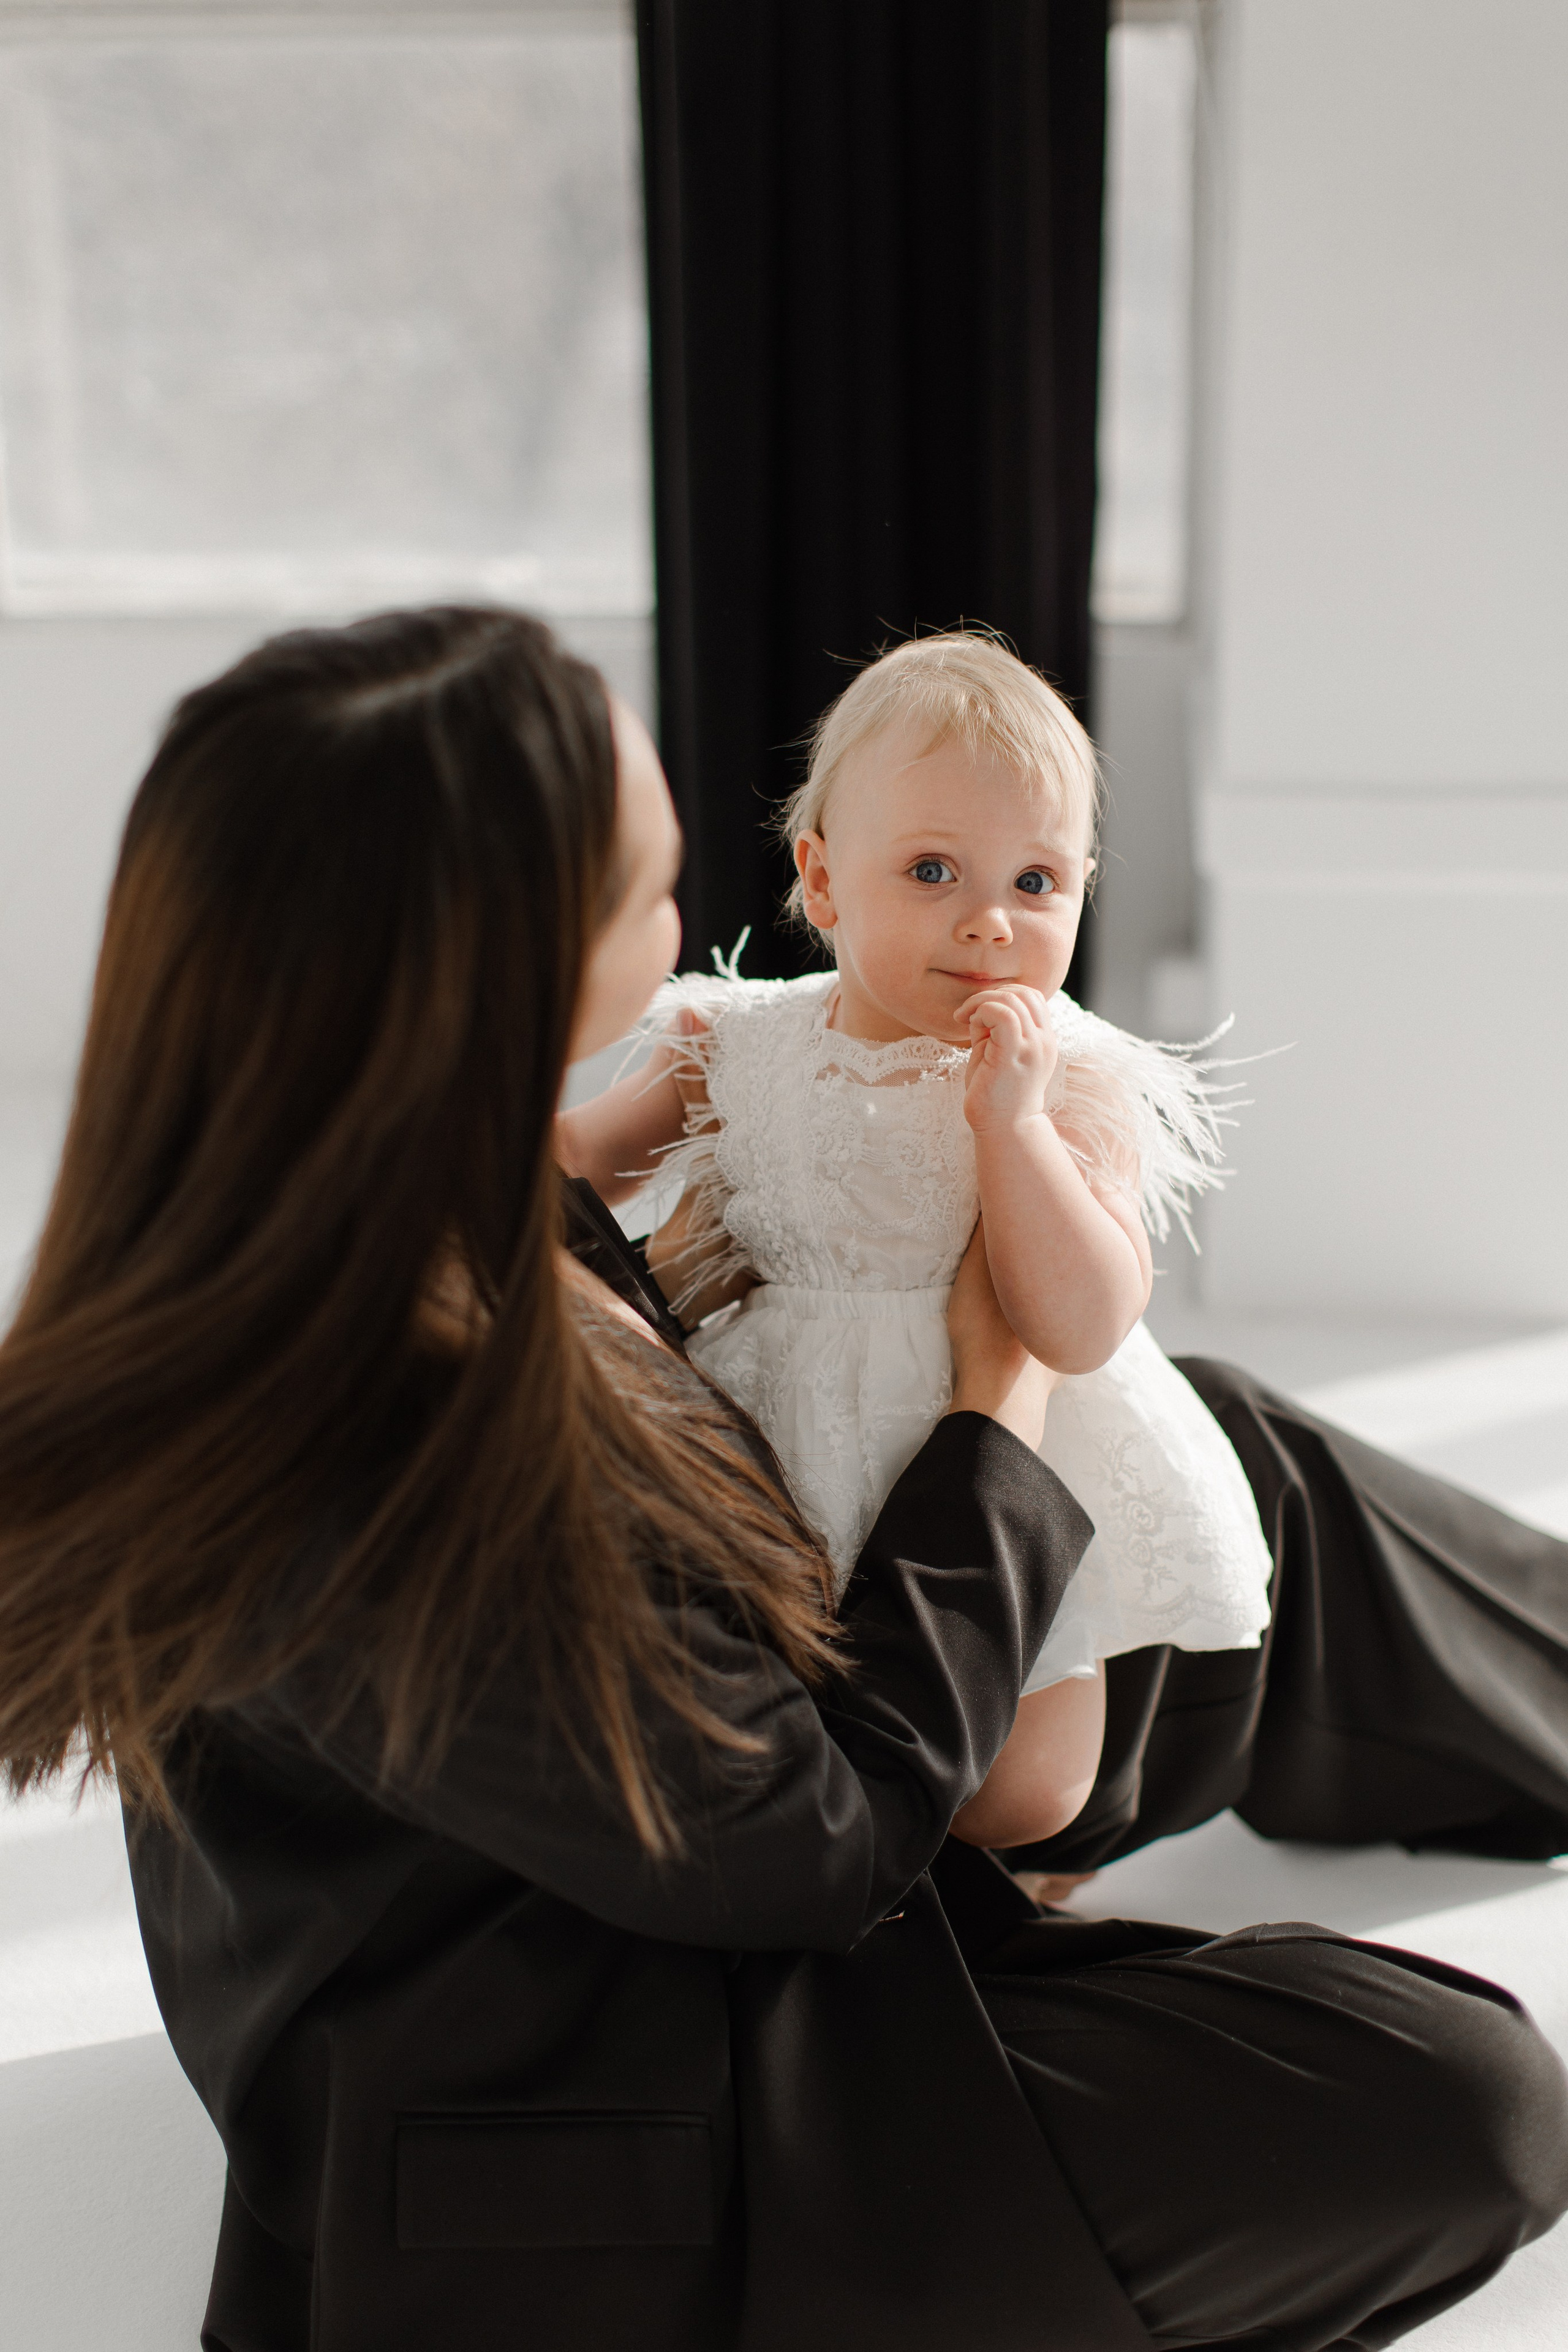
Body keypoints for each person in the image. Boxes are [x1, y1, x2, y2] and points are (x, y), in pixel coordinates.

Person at [1, 606, 1564, 2352]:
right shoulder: (377, 1429)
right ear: (504, 961)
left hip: (666, 1839)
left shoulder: (359, 1182)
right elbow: (809, 1847)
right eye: (649, 885)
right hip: (631, 2095)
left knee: (1236, 1462)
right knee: (1475, 2097)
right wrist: (995, 1391)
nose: (692, 919)